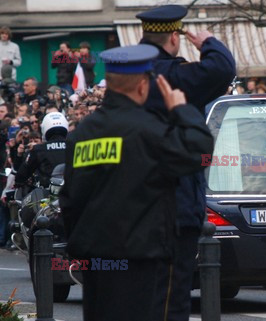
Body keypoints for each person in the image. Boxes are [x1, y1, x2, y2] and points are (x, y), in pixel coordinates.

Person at [59, 44, 214, 321]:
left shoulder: (81, 134)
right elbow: (200, 153)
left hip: (95, 257)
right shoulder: (148, 130)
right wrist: (182, 109)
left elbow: (69, 200)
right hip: (139, 257)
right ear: (143, 86)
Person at [136, 5, 235, 320]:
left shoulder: (129, 72)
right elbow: (222, 68)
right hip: (174, 205)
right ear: (174, 37)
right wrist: (207, 42)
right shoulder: (173, 76)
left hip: (134, 204)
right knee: (171, 300)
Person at [15, 112, 68, 188]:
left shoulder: (39, 149)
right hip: (74, 192)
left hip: (48, 195)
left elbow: (21, 175)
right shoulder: (75, 146)